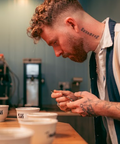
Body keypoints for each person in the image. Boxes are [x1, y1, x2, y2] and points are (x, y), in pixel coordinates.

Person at [27, 0, 120, 144]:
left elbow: (101, 107)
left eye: (55, 42)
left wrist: (98, 107)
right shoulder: (95, 57)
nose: (57, 53)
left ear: (72, 24)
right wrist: (83, 102)